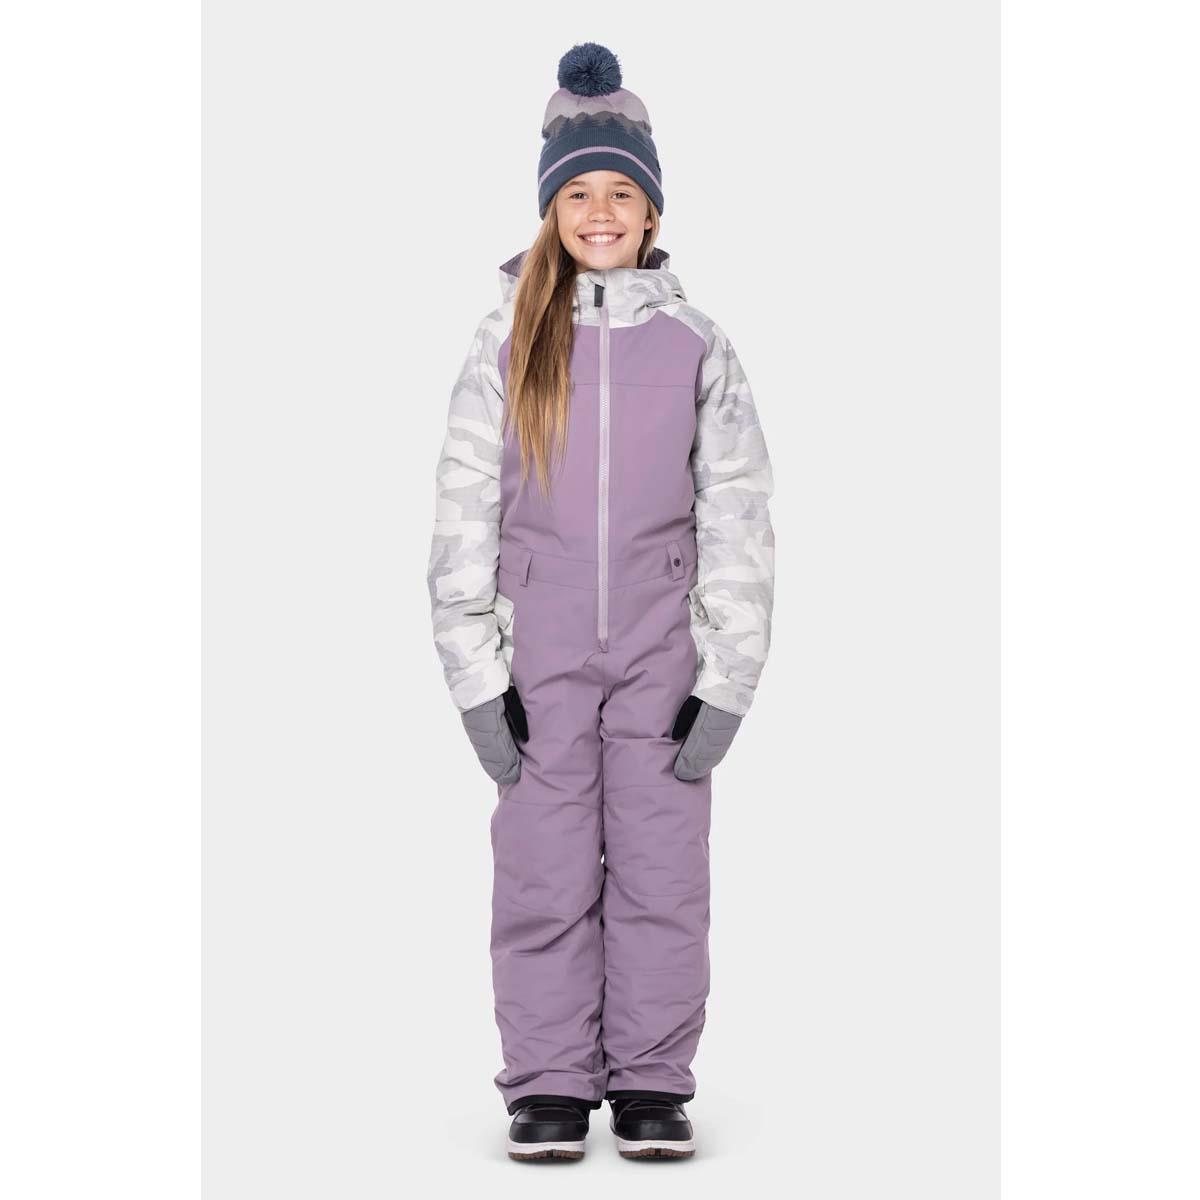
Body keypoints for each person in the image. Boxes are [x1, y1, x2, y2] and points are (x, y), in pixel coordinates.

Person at [426, 41, 776, 1161]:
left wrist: (728, 677)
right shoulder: (507, 342)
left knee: (664, 870)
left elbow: (737, 512)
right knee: (544, 868)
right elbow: (464, 513)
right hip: (539, 656)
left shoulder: (696, 344)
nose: (601, 213)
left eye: (622, 193)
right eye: (579, 194)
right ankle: (549, 1080)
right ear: (550, 211)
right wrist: (476, 676)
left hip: (665, 657)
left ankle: (651, 1077)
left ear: (653, 208)